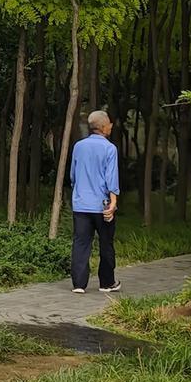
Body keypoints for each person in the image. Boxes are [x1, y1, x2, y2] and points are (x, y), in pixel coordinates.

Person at [69, 109, 120, 294]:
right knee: (106, 243)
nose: (111, 126)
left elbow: (73, 175)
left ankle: (79, 284)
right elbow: (111, 178)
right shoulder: (110, 148)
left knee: (81, 243)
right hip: (102, 205)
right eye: (109, 123)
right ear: (104, 127)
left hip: (81, 204)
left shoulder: (79, 146)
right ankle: (106, 282)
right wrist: (113, 203)